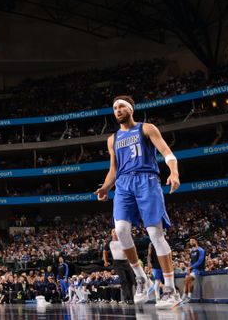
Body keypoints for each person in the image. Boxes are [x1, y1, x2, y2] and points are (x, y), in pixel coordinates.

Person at [94, 95, 182, 309]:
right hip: (123, 184)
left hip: (147, 180)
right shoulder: (112, 139)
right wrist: (106, 187)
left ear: (130, 109)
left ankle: (170, 289)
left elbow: (167, 153)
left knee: (155, 234)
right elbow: (113, 169)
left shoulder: (147, 128)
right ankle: (142, 278)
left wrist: (174, 172)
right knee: (121, 230)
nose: (117, 110)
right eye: (114, 107)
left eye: (121, 106)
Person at [103, 229, 134, 303]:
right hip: (117, 262)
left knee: (130, 280)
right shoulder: (109, 243)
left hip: (126, 261)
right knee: (123, 280)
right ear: (111, 234)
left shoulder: (122, 241)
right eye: (113, 232)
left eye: (116, 232)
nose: (115, 233)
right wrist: (105, 261)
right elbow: (104, 252)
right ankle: (127, 298)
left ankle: (131, 297)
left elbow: (129, 250)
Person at [183, 238, 205, 302]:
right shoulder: (192, 250)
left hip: (199, 269)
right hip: (193, 269)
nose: (191, 242)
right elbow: (192, 261)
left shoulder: (201, 250)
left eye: (192, 241)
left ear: (196, 241)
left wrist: (191, 267)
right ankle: (184, 297)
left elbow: (200, 261)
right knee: (186, 280)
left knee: (189, 279)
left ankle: (188, 297)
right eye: (190, 241)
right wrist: (189, 267)